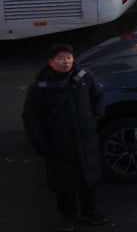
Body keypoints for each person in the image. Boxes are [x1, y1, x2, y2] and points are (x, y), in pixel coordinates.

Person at [22, 43, 109, 232]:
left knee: (88, 181)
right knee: (64, 185)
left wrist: (97, 115)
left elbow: (99, 95)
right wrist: (39, 141)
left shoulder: (84, 78)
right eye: (61, 58)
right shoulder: (40, 87)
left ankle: (90, 211)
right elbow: (30, 117)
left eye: (69, 57)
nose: (66, 61)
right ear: (51, 62)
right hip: (59, 145)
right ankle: (68, 215)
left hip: (86, 142)